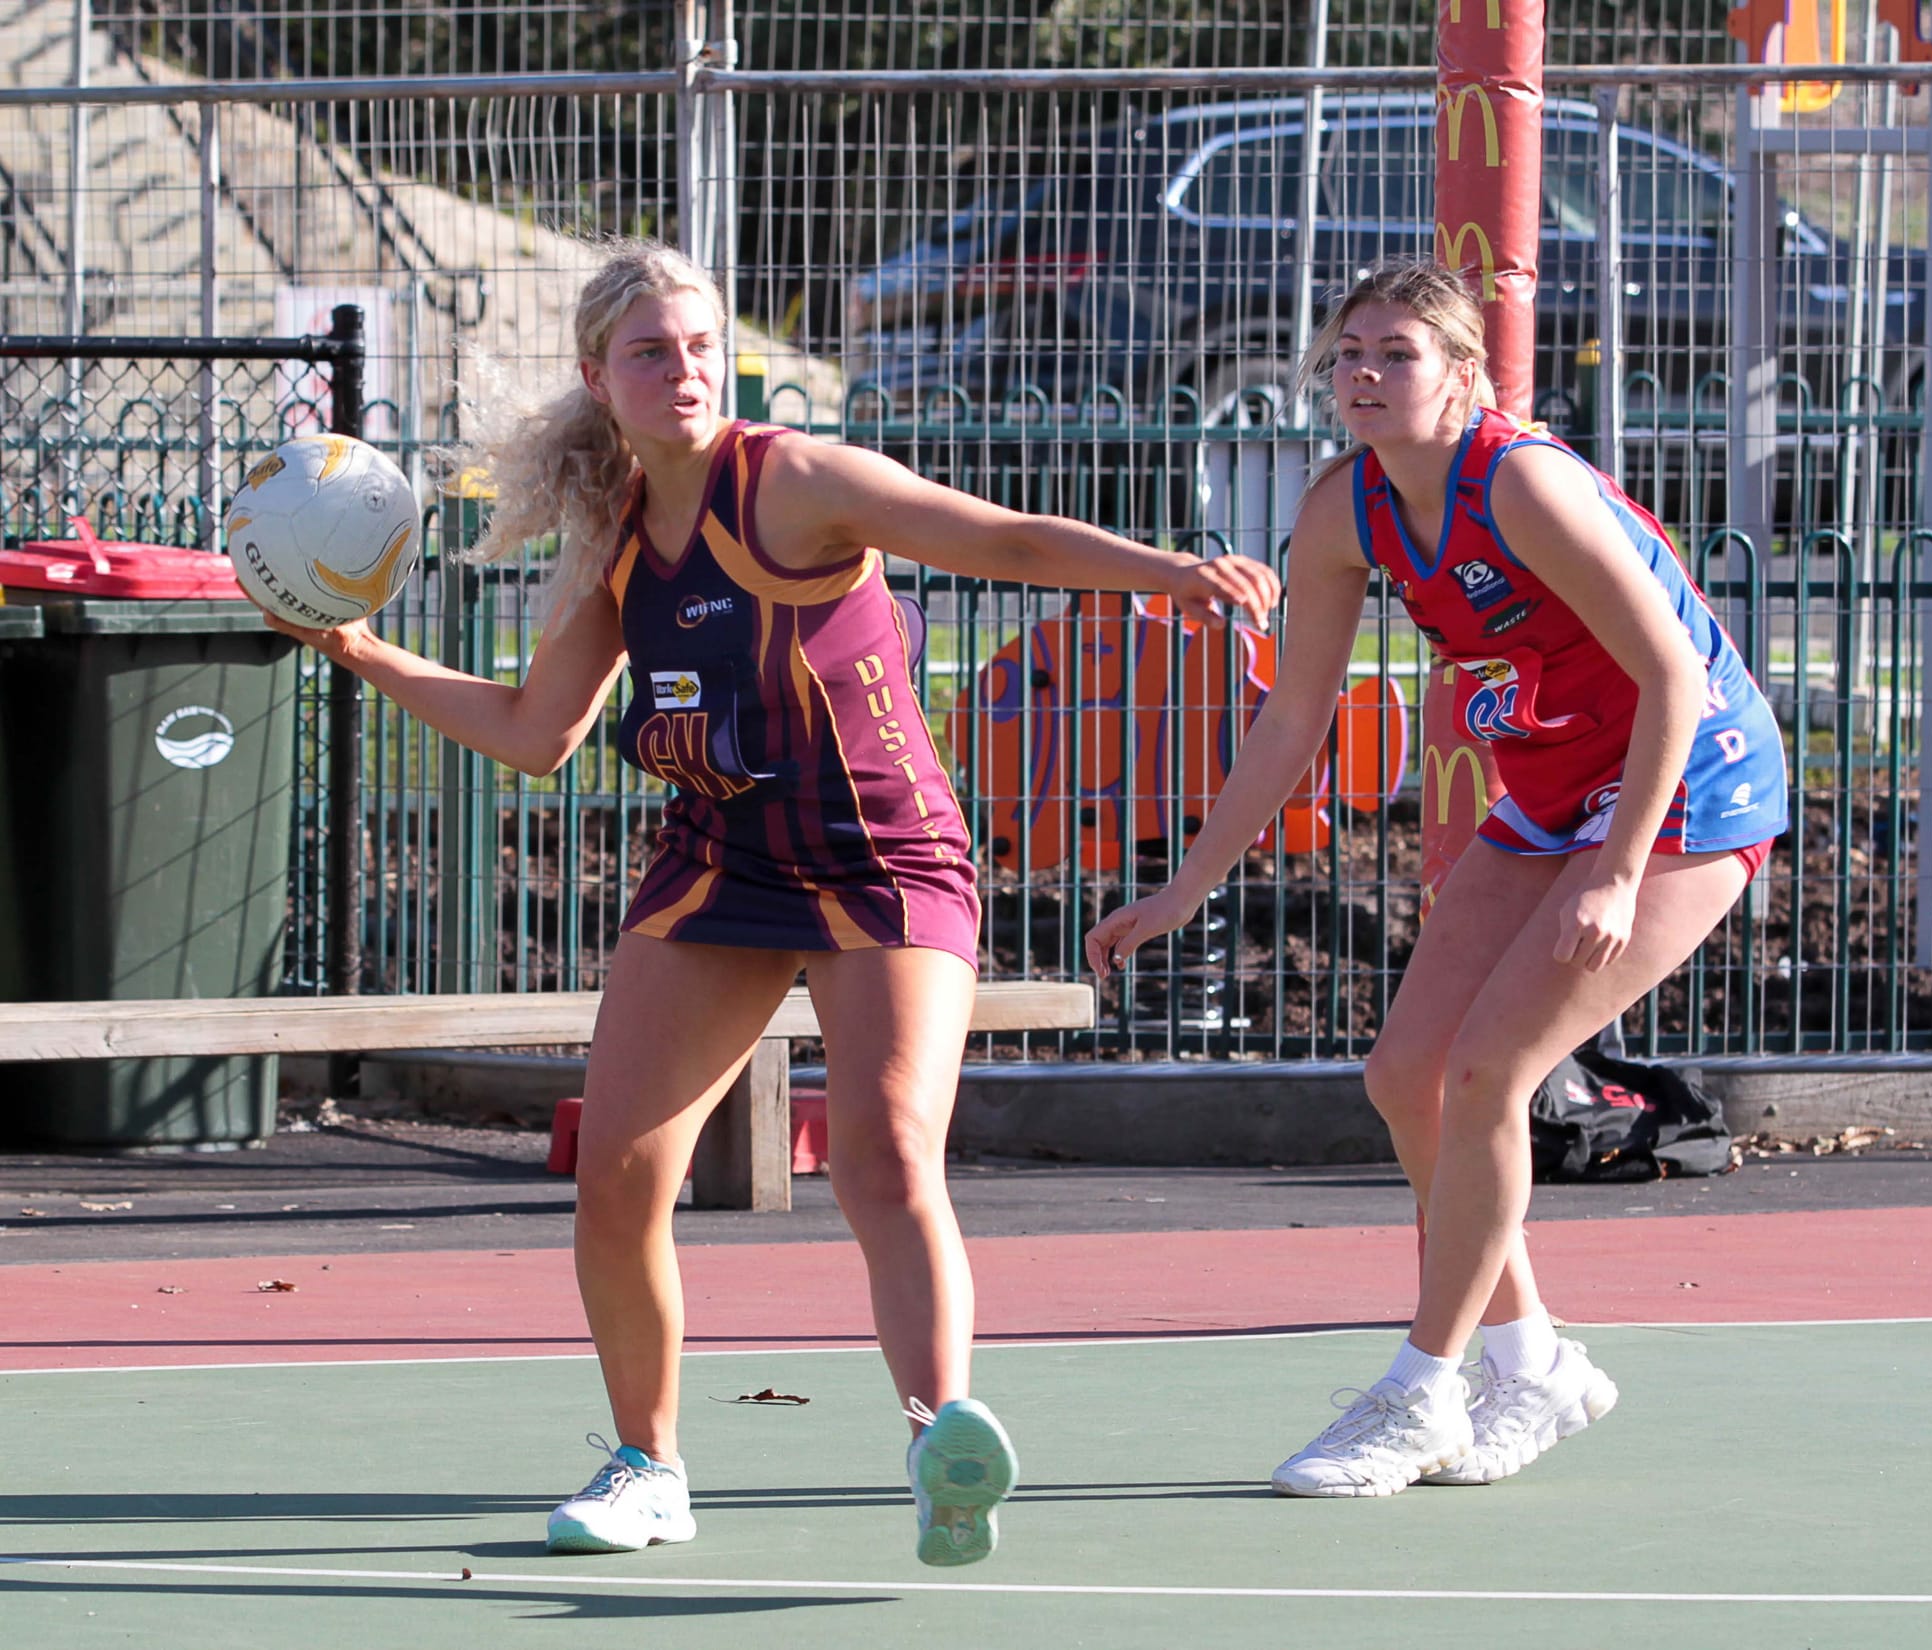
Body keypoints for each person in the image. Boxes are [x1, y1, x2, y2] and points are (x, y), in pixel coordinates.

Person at [251, 241, 1279, 1563]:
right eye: (648, 352)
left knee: (886, 1150)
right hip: (723, 855)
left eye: (697, 345)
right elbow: (531, 731)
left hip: (883, 852)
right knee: (620, 1176)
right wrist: (357, 645)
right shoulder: (623, 537)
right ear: (596, 377)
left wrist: (1162, 571)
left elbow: (991, 532)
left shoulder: (792, 480)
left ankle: (939, 1436)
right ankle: (648, 1465)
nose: (682, 370)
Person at [1085, 259, 1786, 1497]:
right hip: (1558, 793)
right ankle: (1535, 1364)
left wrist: (1617, 872)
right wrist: (1184, 887)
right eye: (1345, 352)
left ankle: (1421, 1390)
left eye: (1396, 353)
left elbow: (1674, 679)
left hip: (1685, 789)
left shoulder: (1521, 484)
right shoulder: (1340, 508)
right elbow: (1292, 720)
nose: (1361, 373)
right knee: (1405, 1075)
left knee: (1491, 1072)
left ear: (1463, 375)